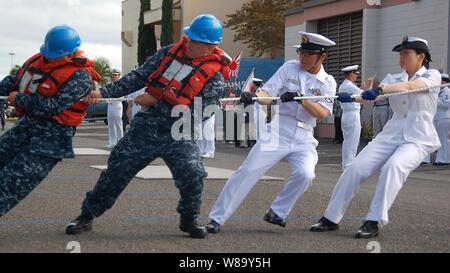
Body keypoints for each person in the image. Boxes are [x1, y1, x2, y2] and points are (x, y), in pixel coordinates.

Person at [65, 14, 230, 239]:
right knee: (117, 169)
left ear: (211, 47)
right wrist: (103, 92)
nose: (189, 42)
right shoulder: (168, 53)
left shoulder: (215, 76)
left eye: (195, 41)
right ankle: (86, 217)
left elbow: (201, 113)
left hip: (179, 132)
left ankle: (189, 219)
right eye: (188, 37)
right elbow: (138, 76)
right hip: (147, 127)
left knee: (193, 174)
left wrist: (158, 101)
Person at [310, 36, 442, 238]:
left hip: (417, 138)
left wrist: (380, 89)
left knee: (393, 167)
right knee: (355, 168)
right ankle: (330, 217)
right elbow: (371, 96)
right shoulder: (393, 78)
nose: (401, 57)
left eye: (406, 53)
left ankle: (373, 221)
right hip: (390, 135)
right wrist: (352, 98)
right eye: (400, 53)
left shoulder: (432, 76)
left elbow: (408, 88)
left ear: (421, 56)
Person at [205, 31, 337, 233]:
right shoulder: (289, 68)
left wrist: (301, 98)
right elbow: (268, 92)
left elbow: (321, 113)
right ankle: (217, 218)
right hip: (279, 129)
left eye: (308, 54)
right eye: (301, 53)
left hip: (304, 135)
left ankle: (278, 212)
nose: (302, 57)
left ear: (322, 57)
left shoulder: (328, 82)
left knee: (306, 174)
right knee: (249, 170)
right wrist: (256, 96)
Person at [0, 25, 101, 219]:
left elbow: (53, 106)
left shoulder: (80, 76)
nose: (51, 57)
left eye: (56, 54)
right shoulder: (40, 61)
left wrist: (18, 99)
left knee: (11, 182)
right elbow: (17, 82)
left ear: (71, 54)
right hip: (28, 125)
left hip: (53, 138)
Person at [339, 65, 362, 170]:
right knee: (352, 141)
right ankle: (348, 165)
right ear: (351, 74)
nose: (356, 76)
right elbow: (364, 94)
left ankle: (347, 163)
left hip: (348, 114)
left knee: (349, 141)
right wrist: (370, 85)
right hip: (352, 114)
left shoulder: (345, 85)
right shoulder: (348, 85)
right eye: (355, 74)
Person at [432, 73, 450, 165]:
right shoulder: (438, 91)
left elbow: (446, 105)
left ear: (445, 81)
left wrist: (436, 101)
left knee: (444, 139)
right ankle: (440, 159)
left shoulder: (447, 92)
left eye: (441, 80)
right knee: (439, 139)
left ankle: (445, 159)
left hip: (444, 117)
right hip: (437, 117)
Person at [106, 69, 124, 148]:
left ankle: (120, 142)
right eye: (113, 75)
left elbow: (122, 96)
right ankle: (112, 142)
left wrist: (114, 99)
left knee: (118, 124)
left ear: (119, 75)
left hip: (117, 105)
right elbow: (106, 93)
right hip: (110, 105)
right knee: (110, 124)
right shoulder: (110, 84)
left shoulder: (121, 84)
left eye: (116, 75)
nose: (114, 76)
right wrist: (108, 100)